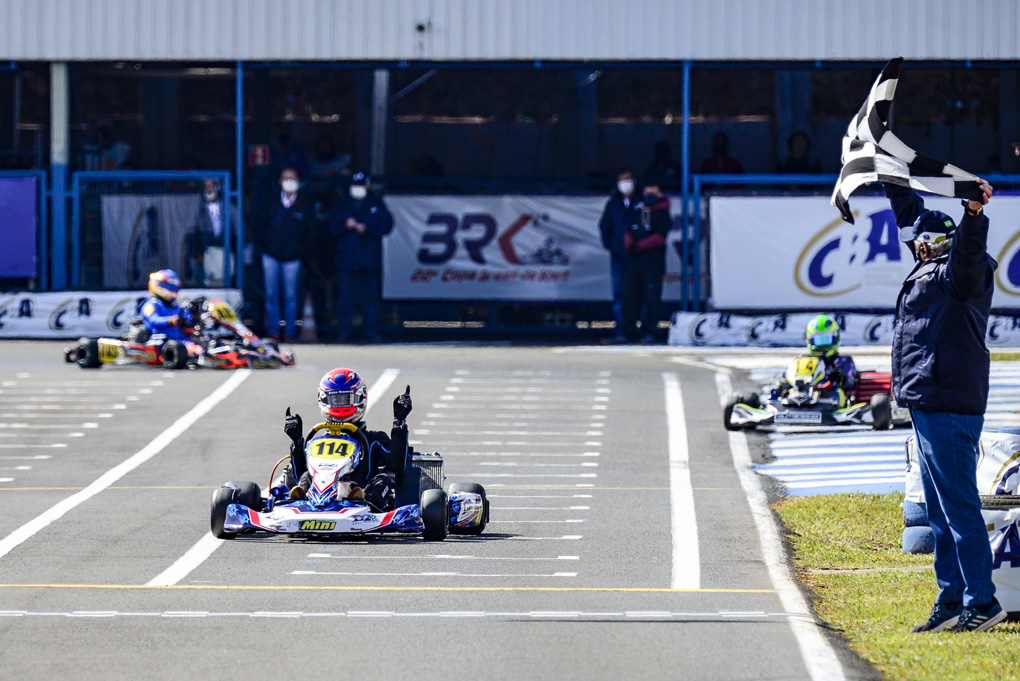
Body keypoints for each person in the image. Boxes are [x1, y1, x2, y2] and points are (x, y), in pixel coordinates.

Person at [885, 178, 1002, 633]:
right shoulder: (929, 265)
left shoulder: (962, 271)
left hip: (950, 401)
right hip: (927, 399)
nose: (914, 245)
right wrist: (890, 174)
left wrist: (973, 214)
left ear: (936, 244)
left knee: (959, 507)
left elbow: (969, 255)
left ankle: (981, 601)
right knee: (938, 512)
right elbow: (910, 215)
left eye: (921, 241)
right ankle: (952, 598)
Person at [280, 368, 412, 511]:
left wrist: (399, 423)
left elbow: (396, 464)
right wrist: (297, 442)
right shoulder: (318, 442)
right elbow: (301, 471)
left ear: (359, 398)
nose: (341, 406)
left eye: (346, 399)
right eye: (336, 400)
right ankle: (299, 499)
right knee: (306, 475)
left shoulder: (374, 439)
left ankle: (362, 500)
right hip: (321, 493)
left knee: (384, 479)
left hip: (363, 495)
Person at [328, 172, 394, 342]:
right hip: (348, 259)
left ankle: (370, 331)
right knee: (345, 298)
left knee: (370, 298)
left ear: (368, 185)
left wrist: (368, 227)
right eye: (355, 185)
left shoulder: (376, 203)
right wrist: (345, 225)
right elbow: (331, 226)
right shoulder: (343, 204)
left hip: (369, 259)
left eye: (361, 185)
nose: (358, 188)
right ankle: (344, 331)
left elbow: (387, 225)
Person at [253, 167, 314, 342]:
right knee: (271, 295)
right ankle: (273, 330)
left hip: (293, 258)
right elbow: (259, 226)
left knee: (291, 297)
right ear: (280, 182)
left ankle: (289, 332)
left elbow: (312, 232)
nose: (289, 182)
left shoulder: (304, 205)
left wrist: (300, 250)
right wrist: (267, 246)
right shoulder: (270, 203)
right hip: (270, 256)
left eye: (293, 178)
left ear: (299, 182)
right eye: (286, 178)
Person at [619, 182, 670, 343]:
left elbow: (660, 238)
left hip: (652, 263)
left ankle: (650, 331)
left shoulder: (663, 214)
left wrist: (639, 246)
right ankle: (629, 331)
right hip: (634, 262)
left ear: (659, 192)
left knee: (651, 299)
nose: (649, 193)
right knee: (630, 297)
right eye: (646, 190)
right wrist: (629, 245)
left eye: (652, 190)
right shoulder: (637, 211)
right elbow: (627, 231)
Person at [599, 169, 638, 343]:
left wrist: (639, 245)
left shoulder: (641, 203)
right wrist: (613, 246)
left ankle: (636, 330)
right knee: (619, 294)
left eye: (627, 180)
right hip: (618, 256)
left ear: (634, 182)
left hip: (637, 256)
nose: (625, 184)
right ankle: (620, 330)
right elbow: (604, 227)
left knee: (638, 294)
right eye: (621, 181)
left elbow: (647, 226)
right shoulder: (613, 204)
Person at [185, 179, 234, 286]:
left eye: (211, 185)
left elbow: (238, 229)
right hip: (205, 253)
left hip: (225, 253)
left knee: (226, 284)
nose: (208, 188)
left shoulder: (228, 207)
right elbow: (191, 231)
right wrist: (197, 254)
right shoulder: (198, 208)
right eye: (206, 186)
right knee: (204, 285)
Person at [140, 269, 196, 343]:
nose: (173, 289)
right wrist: (170, 320)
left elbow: (187, 318)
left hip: (178, 340)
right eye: (170, 286)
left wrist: (195, 317)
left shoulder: (175, 306)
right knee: (194, 350)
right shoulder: (150, 305)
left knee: (203, 348)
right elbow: (153, 320)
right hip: (160, 342)